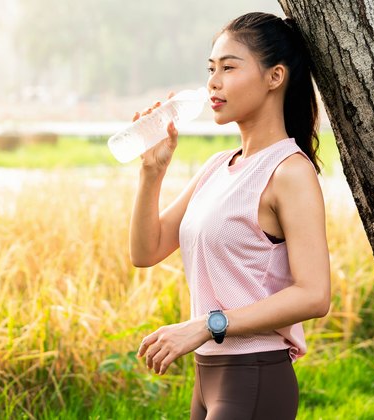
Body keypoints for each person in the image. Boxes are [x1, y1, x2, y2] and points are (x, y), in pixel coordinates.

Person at [130, 12, 331, 420]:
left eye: (229, 67)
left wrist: (208, 324)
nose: (213, 82)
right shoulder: (218, 167)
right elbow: (146, 251)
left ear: (275, 77)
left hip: (254, 374)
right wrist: (151, 173)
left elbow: (314, 294)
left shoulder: (289, 172)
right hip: (209, 375)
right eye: (210, 69)